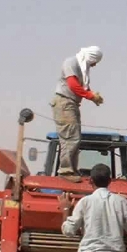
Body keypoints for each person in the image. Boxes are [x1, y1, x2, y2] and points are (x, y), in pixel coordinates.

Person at [51, 46, 106, 182]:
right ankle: (66, 171)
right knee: (70, 137)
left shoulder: (81, 67)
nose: (94, 65)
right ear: (91, 57)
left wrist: (92, 95)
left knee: (75, 137)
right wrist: (90, 96)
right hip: (65, 103)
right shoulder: (71, 62)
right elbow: (73, 85)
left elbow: (82, 87)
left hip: (71, 104)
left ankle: (72, 170)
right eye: (95, 61)